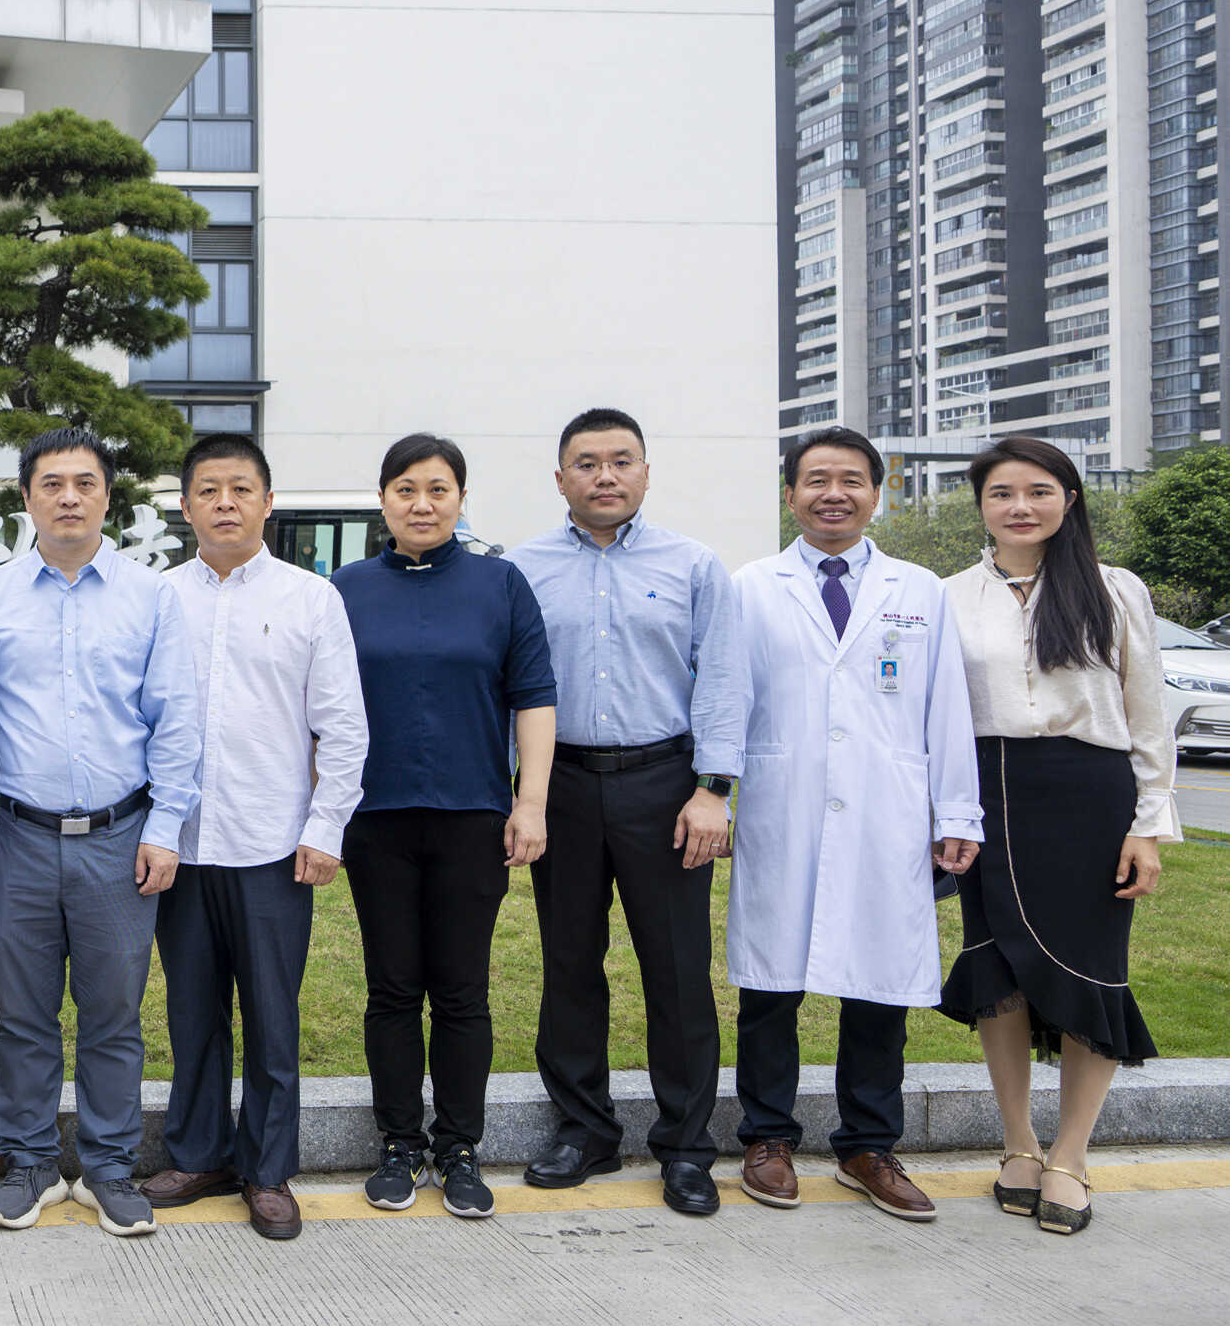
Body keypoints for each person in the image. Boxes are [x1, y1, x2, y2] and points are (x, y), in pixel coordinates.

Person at [726, 426, 979, 1222]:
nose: (833, 494)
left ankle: (868, 1145)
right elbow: (726, 701)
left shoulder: (921, 591)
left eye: (851, 480)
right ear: (790, 494)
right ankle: (767, 1138)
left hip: (887, 811)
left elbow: (947, 708)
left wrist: (957, 811)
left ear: (877, 492)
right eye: (816, 480)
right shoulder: (750, 587)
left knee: (879, 983)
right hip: (782, 803)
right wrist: (713, 792)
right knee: (770, 985)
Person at [503, 409, 744, 1217]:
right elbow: (506, 684)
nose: (604, 476)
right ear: (560, 477)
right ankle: (584, 1130)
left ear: (645, 472)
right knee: (570, 963)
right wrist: (518, 796)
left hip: (665, 784)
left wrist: (714, 788)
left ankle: (686, 1147)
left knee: (676, 971)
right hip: (562, 784)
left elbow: (723, 679)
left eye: (620, 461)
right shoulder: (522, 569)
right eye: (586, 463)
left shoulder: (693, 565)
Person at [934, 436, 1176, 1236]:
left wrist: (1149, 826)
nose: (1021, 507)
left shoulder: (1115, 589)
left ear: (1068, 500)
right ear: (980, 505)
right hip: (988, 793)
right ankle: (1019, 1143)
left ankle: (1071, 1156)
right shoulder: (948, 596)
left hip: (1091, 795)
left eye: (1039, 491)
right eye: (1002, 493)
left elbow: (1148, 714)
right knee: (996, 967)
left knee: (1091, 972)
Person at [0, 428, 200, 1239]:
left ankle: (107, 1166)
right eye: (51, 483)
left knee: (113, 1015)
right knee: (23, 1016)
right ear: (26, 498)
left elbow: (176, 720)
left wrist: (164, 827)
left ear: (108, 495)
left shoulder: (150, 597)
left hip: (119, 836)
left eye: (85, 483)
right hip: (15, 839)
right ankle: (31, 1162)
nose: (68, 497)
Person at [141, 433, 365, 1242]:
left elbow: (342, 727)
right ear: (185, 506)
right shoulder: (157, 597)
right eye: (208, 490)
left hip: (274, 846)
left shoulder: (312, 599)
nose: (225, 503)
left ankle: (268, 1170)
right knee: (192, 1013)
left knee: (273, 1017)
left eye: (241, 488)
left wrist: (325, 826)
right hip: (181, 846)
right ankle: (198, 1155)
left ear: (268, 502)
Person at [330, 433, 553, 1220]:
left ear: (460, 498)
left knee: (461, 990)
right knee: (392, 988)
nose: (421, 504)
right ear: (382, 500)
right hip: (375, 818)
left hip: (471, 817)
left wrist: (530, 803)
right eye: (405, 489)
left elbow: (534, 697)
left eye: (437, 489)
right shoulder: (345, 588)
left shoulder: (501, 584)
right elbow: (318, 705)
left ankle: (459, 1147)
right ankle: (398, 1144)